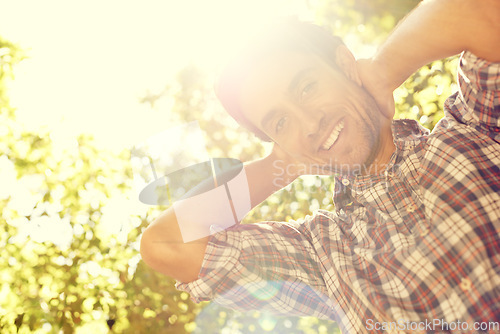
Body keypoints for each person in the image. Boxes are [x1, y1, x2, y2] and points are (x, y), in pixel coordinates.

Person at [140, 0, 500, 332]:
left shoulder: (474, 127)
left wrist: (381, 69)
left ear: (344, 65)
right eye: (280, 123)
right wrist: (279, 165)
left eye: (307, 87)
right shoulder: (322, 255)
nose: (309, 124)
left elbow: (478, 10)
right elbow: (168, 244)